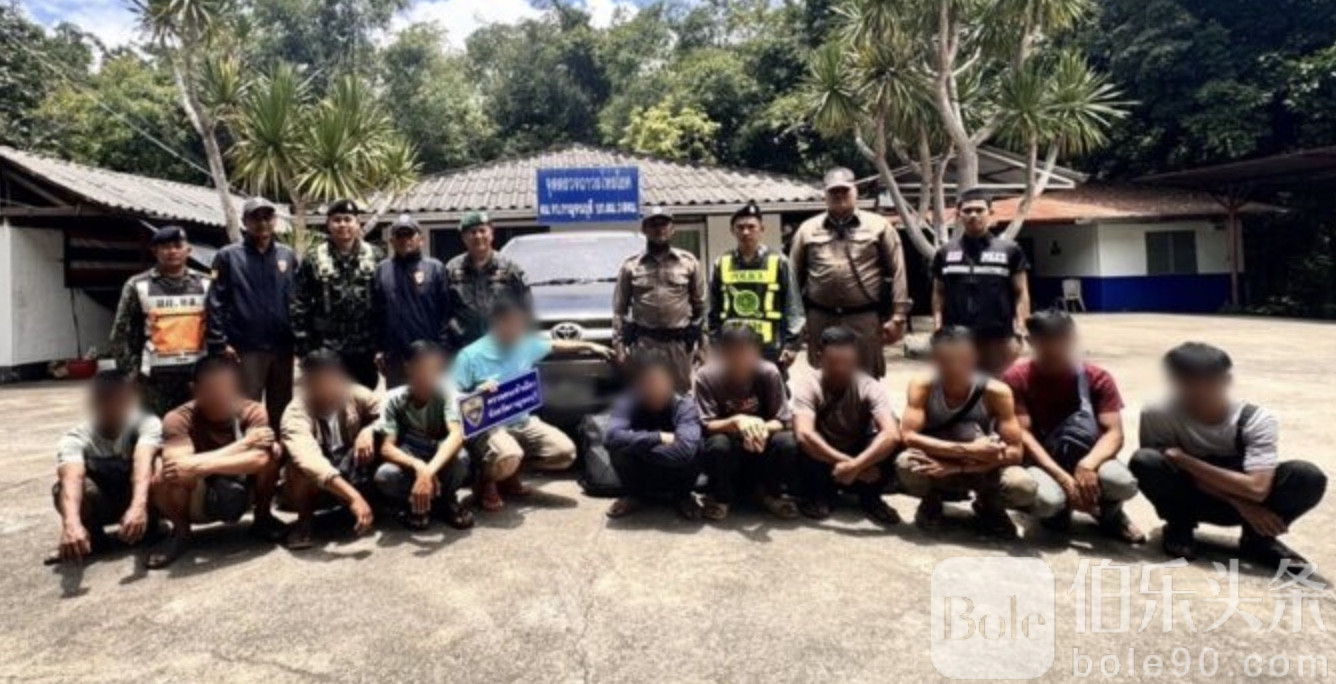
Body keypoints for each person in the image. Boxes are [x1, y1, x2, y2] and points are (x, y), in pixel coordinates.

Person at [1132, 343, 1327, 568]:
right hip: (1194, 497)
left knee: (1306, 476)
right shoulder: (1158, 413)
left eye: (1208, 384)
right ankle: (1179, 526)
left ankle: (1258, 539)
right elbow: (1162, 469)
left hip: (1255, 505)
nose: (1199, 393)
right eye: (1188, 384)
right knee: (1145, 461)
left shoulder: (1256, 420)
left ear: (1226, 381)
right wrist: (1240, 503)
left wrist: (1185, 460)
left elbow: (1258, 489)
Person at [453, 298, 611, 511]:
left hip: (523, 422)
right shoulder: (470, 355)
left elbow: (555, 345)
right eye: (511, 324)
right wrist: (476, 393)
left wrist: (590, 345)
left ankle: (509, 474)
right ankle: (486, 480)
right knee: (508, 454)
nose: (517, 329)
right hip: (490, 427)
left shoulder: (524, 344)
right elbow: (448, 394)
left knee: (564, 452)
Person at [1002, 310, 1143, 543]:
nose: (1055, 348)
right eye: (1046, 341)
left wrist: (1088, 465)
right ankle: (1060, 509)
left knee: (1121, 483)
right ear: (1031, 342)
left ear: (1073, 338)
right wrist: (1062, 477)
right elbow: (1023, 434)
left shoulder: (1097, 377)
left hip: (1088, 454)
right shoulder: (1016, 378)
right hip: (1043, 459)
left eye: (1061, 339)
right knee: (1048, 502)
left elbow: (1114, 433)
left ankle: (1110, 514)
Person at [895, 326, 1036, 539]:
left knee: (1022, 486)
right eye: (946, 360)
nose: (955, 367)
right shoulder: (923, 386)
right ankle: (931, 500)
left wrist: (958, 466)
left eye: (962, 359)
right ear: (934, 359)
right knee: (906, 463)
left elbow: (1015, 452)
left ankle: (989, 504)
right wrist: (967, 449)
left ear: (975, 357)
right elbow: (908, 436)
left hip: (982, 465)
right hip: (940, 459)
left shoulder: (996, 392)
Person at [148, 356, 285, 568]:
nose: (220, 397)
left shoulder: (252, 411)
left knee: (271, 458)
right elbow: (177, 467)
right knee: (162, 476)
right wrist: (243, 445)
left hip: (242, 486)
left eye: (227, 389)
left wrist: (199, 465)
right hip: (197, 494)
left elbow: (260, 459)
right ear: (194, 390)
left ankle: (262, 519)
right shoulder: (178, 418)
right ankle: (181, 533)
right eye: (211, 390)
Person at [790, 167, 911, 378]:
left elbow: (898, 272)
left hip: (864, 318)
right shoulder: (807, 229)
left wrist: (898, 316)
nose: (839, 195)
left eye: (844, 190)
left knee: (865, 378)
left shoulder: (879, 226)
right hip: (820, 317)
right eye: (833, 191)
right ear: (825, 195)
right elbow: (793, 277)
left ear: (856, 191)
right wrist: (797, 321)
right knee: (824, 377)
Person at [790, 326, 902, 525]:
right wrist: (849, 464)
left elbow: (891, 434)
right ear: (819, 358)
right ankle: (819, 495)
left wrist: (856, 465)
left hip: (857, 453)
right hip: (824, 457)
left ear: (856, 359)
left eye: (847, 362)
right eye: (834, 362)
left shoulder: (867, 385)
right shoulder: (809, 385)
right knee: (793, 443)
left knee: (894, 439)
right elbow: (804, 434)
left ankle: (871, 498)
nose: (841, 369)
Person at [48, 370, 161, 564]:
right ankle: (89, 538)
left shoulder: (147, 424)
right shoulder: (75, 438)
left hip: (134, 494)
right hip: (102, 502)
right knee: (62, 489)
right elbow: (72, 478)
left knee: (159, 468)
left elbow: (142, 462)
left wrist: (138, 507)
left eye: (120, 400)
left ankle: (150, 528)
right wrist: (71, 524)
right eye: (106, 400)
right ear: (94, 404)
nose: (113, 407)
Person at [207, 197, 298, 428]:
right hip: (246, 347)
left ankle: (278, 447)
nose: (262, 223)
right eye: (255, 218)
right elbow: (215, 300)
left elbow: (297, 299)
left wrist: (300, 337)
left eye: (267, 217)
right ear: (245, 221)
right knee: (248, 408)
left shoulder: (287, 255)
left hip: (282, 347)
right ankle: (252, 448)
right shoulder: (228, 256)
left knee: (282, 407)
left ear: (275, 220)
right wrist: (219, 341)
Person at [695, 324, 799, 521]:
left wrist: (759, 429)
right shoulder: (706, 376)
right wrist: (736, 422)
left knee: (787, 442)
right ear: (722, 353)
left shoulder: (769, 372)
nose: (740, 360)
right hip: (728, 443)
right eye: (733, 353)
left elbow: (782, 420)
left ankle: (770, 493)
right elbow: (706, 424)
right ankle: (722, 496)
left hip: (760, 443)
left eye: (746, 353)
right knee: (717, 444)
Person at [279, 350, 379, 550]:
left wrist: (369, 430)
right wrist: (353, 496)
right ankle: (304, 523)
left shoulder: (355, 393)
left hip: (352, 469)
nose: (327, 389)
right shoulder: (295, 413)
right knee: (299, 468)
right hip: (320, 483)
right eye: (319, 383)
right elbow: (309, 460)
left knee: (385, 441)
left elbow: (389, 413)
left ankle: (379, 505)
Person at [109, 225, 213, 417]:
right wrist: (129, 374)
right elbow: (120, 334)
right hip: (154, 380)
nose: (172, 251)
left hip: (196, 375)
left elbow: (217, 328)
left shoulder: (206, 284)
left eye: (177, 245)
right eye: (165, 247)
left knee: (197, 427)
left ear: (188, 250)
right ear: (154, 251)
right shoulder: (137, 285)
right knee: (155, 428)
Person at [374, 341, 473, 531]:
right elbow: (387, 448)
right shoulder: (393, 399)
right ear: (408, 367)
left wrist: (428, 471)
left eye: (433, 369)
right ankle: (415, 503)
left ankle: (446, 500)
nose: (428, 375)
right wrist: (418, 466)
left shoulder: (446, 393)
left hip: (440, 458)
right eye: (421, 368)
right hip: (410, 457)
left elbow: (456, 435)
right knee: (385, 475)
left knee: (461, 458)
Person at [931, 188, 1031, 376]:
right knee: (960, 388)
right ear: (958, 215)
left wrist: (1020, 331)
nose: (973, 215)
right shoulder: (945, 252)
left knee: (998, 388)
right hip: (957, 339)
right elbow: (939, 293)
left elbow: (1021, 292)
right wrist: (937, 328)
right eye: (967, 210)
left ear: (990, 213)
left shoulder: (1010, 251)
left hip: (998, 339)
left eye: (979, 210)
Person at [612, 206, 707, 392]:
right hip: (645, 344)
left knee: (682, 395)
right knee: (647, 395)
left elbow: (701, 307)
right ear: (644, 229)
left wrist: (703, 347)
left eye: (664, 224)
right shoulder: (631, 266)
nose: (659, 229)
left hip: (679, 346)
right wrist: (619, 349)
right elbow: (619, 311)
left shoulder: (689, 263)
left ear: (672, 229)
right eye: (653, 224)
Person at [291, 199, 382, 390]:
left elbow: (385, 302)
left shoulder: (376, 256)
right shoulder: (314, 258)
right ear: (328, 224)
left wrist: (382, 345)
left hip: (365, 348)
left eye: (348, 219)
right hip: (326, 347)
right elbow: (299, 303)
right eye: (337, 220)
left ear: (358, 223)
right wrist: (305, 348)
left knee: (364, 399)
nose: (342, 225)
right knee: (328, 400)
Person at [604, 352, 704, 520]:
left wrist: (635, 445)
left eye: (658, 382)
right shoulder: (627, 401)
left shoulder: (684, 406)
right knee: (616, 447)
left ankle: (683, 497)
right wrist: (658, 437)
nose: (653, 389)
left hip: (675, 470)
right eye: (646, 382)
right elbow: (611, 437)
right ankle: (635, 496)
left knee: (697, 447)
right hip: (640, 473)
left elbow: (685, 452)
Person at [707, 202, 804, 372]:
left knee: (772, 387)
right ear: (732, 231)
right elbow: (712, 308)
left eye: (751, 227)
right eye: (740, 227)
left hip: (770, 347)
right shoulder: (721, 263)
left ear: (762, 229)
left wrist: (791, 344)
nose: (746, 232)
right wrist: (714, 343)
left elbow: (793, 307)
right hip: (732, 346)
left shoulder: (779, 262)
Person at [373, 215, 451, 388]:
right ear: (391, 241)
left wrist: (443, 349)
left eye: (409, 234)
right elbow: (377, 313)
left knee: (432, 401)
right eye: (399, 235)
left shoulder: (435, 268)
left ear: (421, 239)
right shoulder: (381, 270)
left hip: (428, 354)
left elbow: (446, 313)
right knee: (399, 401)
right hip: (395, 356)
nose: (404, 239)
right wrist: (379, 349)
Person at [444, 211, 531, 351]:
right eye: (472, 232)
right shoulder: (451, 269)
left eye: (482, 231)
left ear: (491, 234)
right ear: (464, 237)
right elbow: (442, 311)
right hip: (464, 348)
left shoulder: (510, 268)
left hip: (501, 348)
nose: (478, 236)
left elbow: (525, 307)